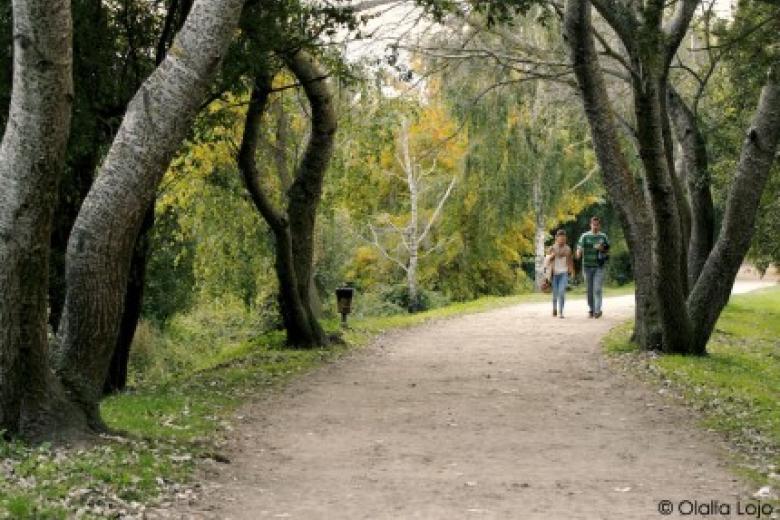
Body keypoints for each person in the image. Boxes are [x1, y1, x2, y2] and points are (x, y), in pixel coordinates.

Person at [576, 216, 609, 318]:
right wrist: (578, 252)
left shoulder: (603, 236)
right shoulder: (585, 236)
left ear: (599, 225)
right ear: (590, 225)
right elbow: (579, 247)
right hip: (587, 267)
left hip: (599, 266)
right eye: (593, 224)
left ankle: (597, 311)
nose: (595, 226)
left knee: (597, 289)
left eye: (597, 225)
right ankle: (592, 309)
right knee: (590, 290)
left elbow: (607, 249)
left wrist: (602, 248)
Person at [545, 229, 574, 318]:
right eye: (560, 238)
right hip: (554, 274)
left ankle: (561, 312)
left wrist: (572, 271)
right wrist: (551, 256)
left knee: (561, 292)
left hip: (563, 273)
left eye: (563, 238)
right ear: (556, 238)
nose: (562, 240)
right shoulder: (552, 248)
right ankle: (554, 309)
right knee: (555, 293)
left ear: (565, 239)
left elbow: (570, 261)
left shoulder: (568, 249)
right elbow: (546, 261)